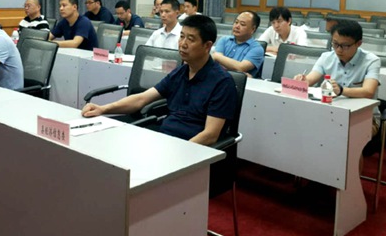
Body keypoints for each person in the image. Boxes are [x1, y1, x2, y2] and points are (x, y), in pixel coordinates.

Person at [81, 15, 237, 146]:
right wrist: (103, 109)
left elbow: (210, 135)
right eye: (182, 36)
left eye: (191, 39)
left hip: (190, 148)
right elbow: (141, 99)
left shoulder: (222, 82)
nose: (183, 44)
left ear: (207, 46)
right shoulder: (180, 72)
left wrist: (183, 154)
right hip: (164, 138)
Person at [294, 20, 381, 134]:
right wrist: (302, 80)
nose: (339, 50)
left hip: (363, 118)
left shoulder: (371, 61)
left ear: (359, 43)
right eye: (335, 44)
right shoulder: (326, 57)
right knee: (304, 127)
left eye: (345, 46)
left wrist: (341, 90)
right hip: (331, 113)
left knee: (342, 135)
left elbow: (368, 92)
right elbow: (310, 79)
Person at [212, 11, 264, 78]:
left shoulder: (257, 49)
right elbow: (215, 65)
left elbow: (241, 67)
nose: (237, 26)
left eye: (242, 24)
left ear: (253, 29)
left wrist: (217, 57)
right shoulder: (224, 40)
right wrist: (237, 70)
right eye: (236, 22)